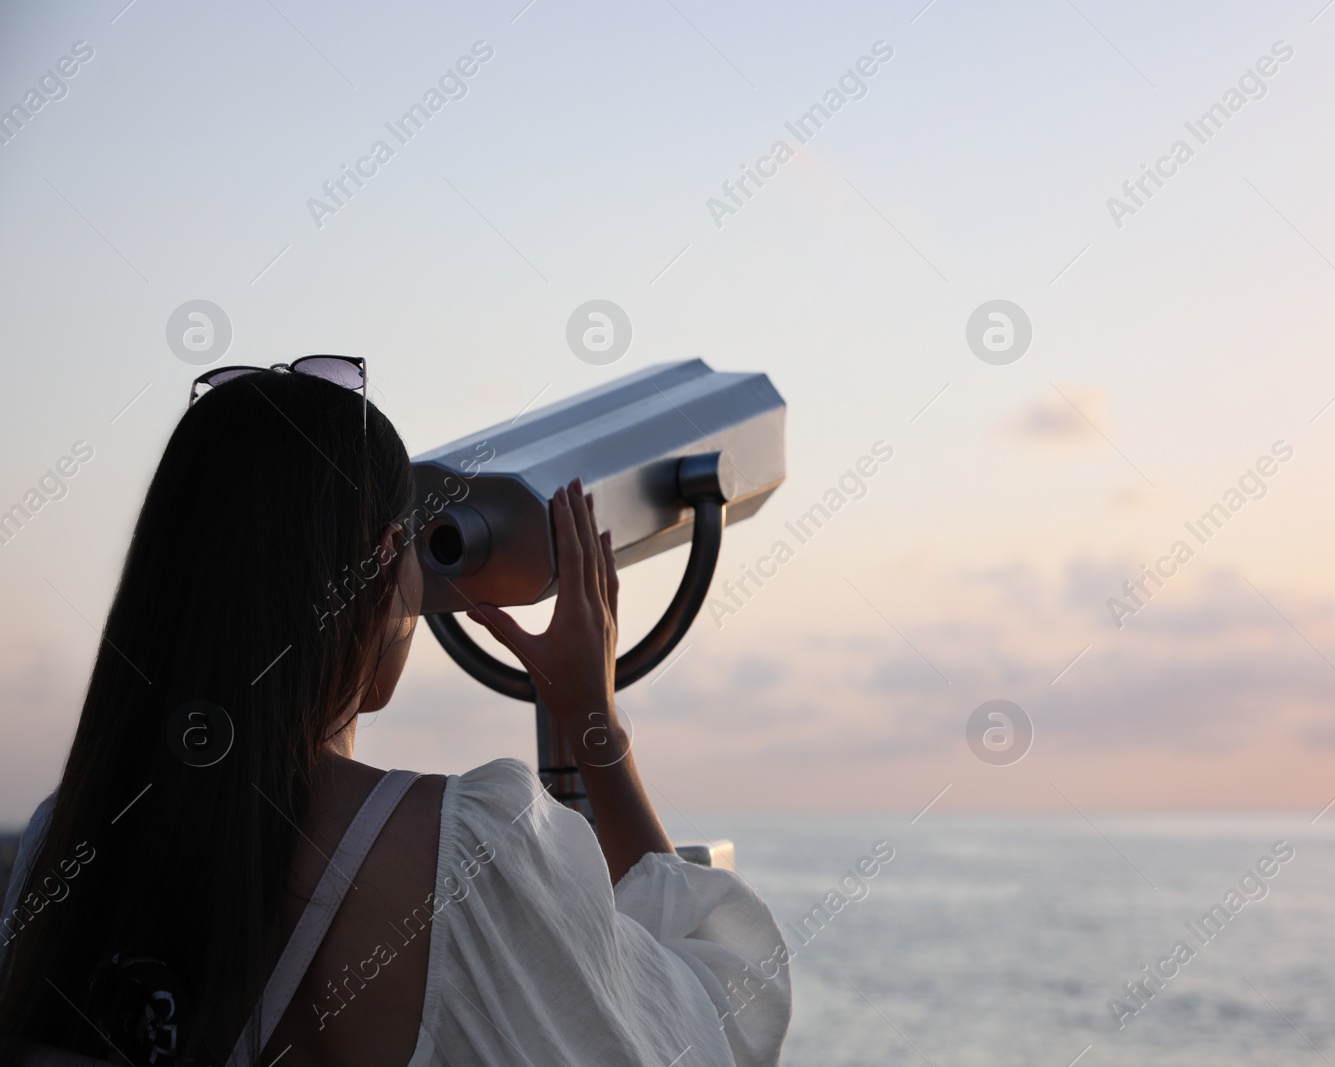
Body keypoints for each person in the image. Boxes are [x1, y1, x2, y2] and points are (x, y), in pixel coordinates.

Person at [0, 362, 790, 1067]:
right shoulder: (462, 856)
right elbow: (715, 1029)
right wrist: (592, 720)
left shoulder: (61, 846)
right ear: (384, 563)